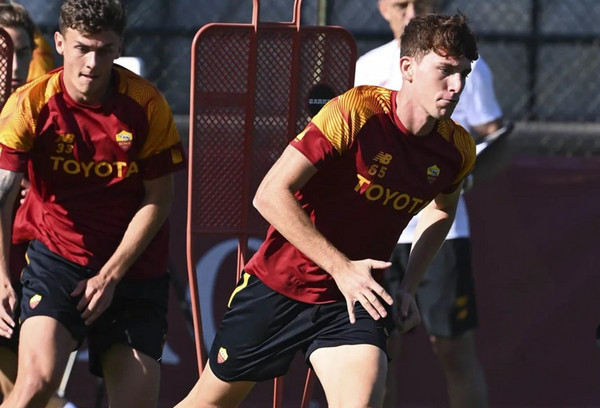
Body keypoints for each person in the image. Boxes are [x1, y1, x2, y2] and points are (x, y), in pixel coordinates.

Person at [176, 12, 478, 408]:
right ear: (407, 68)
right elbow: (270, 194)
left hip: (352, 302)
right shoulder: (355, 112)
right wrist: (342, 268)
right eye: (445, 71)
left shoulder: (456, 149)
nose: (457, 86)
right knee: (209, 402)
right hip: (279, 285)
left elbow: (442, 209)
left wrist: (409, 286)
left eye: (463, 73)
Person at [0, 0, 186, 407]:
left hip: (133, 271)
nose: (92, 63)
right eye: (82, 48)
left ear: (119, 48)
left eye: (104, 50)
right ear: (60, 43)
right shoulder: (30, 104)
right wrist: (0, 276)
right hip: (57, 261)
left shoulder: (147, 104)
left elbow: (159, 198)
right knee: (35, 384)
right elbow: (3, 194)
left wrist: (110, 276)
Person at [355, 1, 506, 407]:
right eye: (400, 4)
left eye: (418, 3)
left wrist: (463, 179)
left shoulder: (463, 68)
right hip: (376, 239)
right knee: (376, 355)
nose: (410, 13)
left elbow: (496, 139)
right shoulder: (365, 68)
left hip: (442, 236)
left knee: (453, 350)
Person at [0, 3, 73, 408]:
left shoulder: (40, 111)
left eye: (23, 52)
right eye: (3, 51)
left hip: (27, 277)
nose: (14, 64)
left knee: (31, 390)